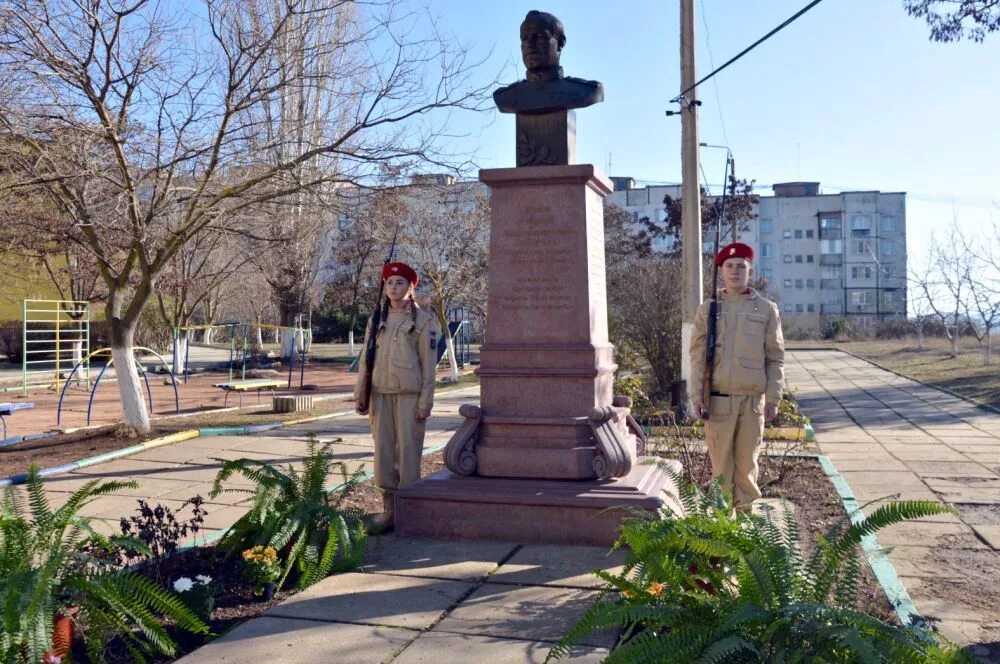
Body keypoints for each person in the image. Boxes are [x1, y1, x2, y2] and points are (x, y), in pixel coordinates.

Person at [689, 242, 785, 509]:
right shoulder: (708, 309)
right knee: (721, 471)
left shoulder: (766, 309)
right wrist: (696, 396)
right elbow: (697, 357)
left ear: (750, 272)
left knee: (746, 468)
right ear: (721, 271)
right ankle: (722, 532)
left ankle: (744, 527)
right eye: (729, 266)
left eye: (741, 267)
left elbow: (775, 357)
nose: (735, 271)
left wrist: (774, 398)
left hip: (752, 403)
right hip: (718, 401)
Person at [354, 261, 440, 532]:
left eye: (399, 283)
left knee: (408, 454)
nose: (393, 287)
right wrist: (361, 394)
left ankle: (411, 513)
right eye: (389, 283)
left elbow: (429, 365)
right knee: (383, 454)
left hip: (408, 397)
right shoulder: (376, 318)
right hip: (380, 395)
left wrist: (425, 402)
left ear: (411, 287)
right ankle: (389, 512)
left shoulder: (424, 321)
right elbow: (365, 359)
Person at [492, 10, 603, 115]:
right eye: (524, 38)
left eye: (538, 36)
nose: (529, 44)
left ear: (560, 43)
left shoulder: (584, 91)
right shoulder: (506, 96)